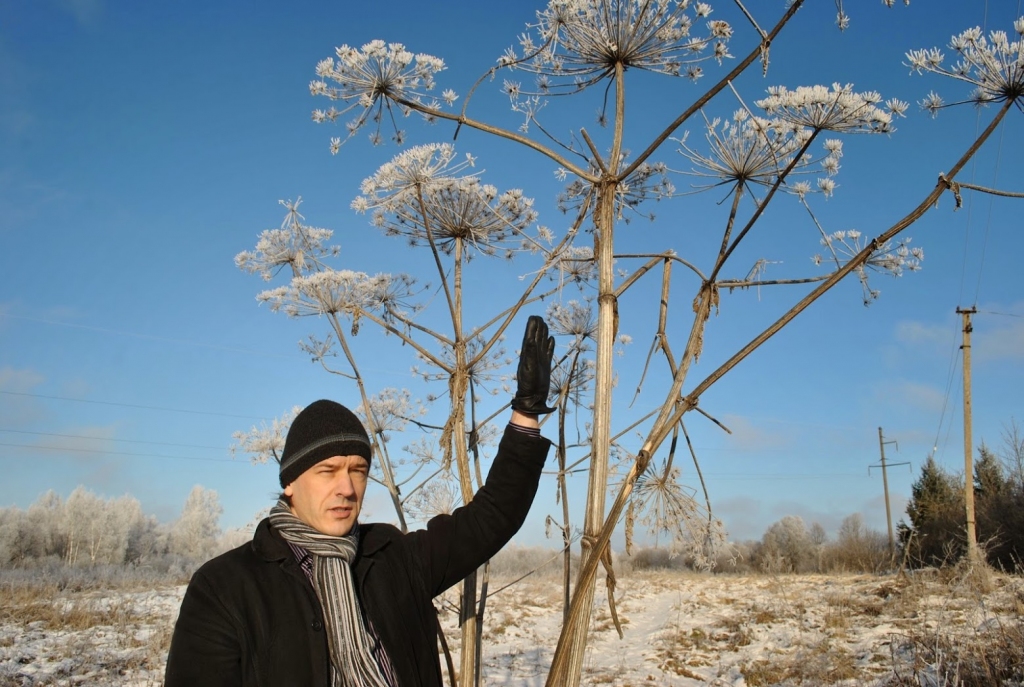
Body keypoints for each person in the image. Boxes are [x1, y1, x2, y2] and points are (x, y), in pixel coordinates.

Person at [164, 316, 555, 687]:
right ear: (289, 484)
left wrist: (526, 413)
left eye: (358, 470)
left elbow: (492, 517)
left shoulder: (392, 558)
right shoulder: (226, 587)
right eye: (328, 470)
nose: (347, 488)